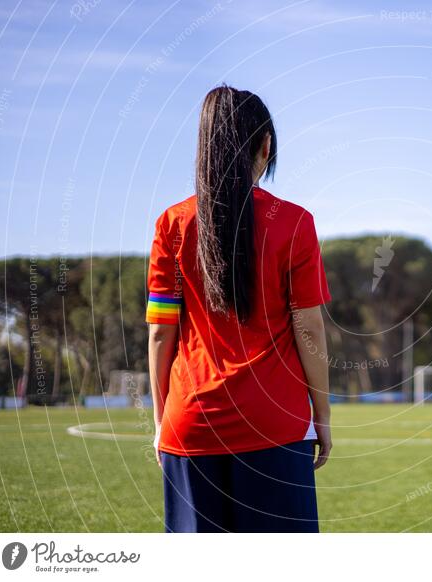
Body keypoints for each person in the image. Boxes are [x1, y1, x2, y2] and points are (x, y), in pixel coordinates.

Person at [145, 85, 332, 533]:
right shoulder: (294, 222)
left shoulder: (172, 223)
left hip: (189, 426)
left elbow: (160, 333)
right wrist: (321, 418)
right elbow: (309, 328)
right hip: (277, 428)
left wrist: (161, 421)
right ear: (266, 145)